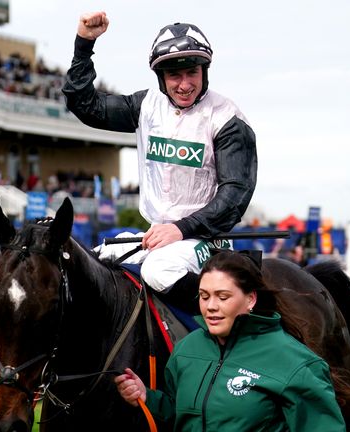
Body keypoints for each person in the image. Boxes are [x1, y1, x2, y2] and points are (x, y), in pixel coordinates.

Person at [63, 12, 257, 309]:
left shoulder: (227, 119)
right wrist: (84, 44)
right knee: (89, 262)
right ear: (161, 77)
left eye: (192, 72)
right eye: (174, 76)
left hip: (204, 240)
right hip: (157, 235)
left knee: (158, 270)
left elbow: (234, 196)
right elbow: (83, 104)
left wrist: (180, 228)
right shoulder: (146, 105)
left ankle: (234, 316)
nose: (184, 85)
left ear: (205, 71)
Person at [114, 251, 345, 431]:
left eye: (222, 297)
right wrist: (148, 398)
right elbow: (180, 412)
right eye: (204, 296)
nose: (211, 306)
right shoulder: (186, 349)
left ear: (251, 299)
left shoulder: (297, 364)